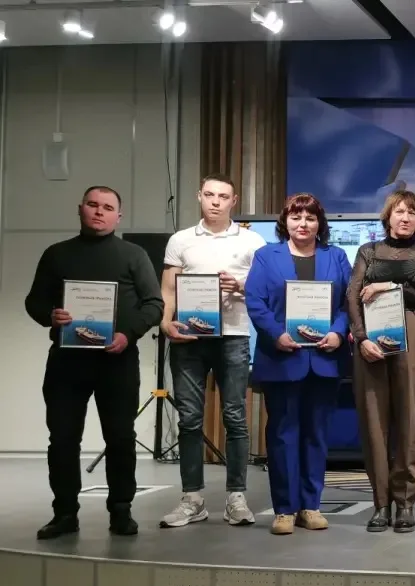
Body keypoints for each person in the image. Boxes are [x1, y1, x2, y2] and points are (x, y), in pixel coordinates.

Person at [24, 186, 164, 539]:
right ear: (80, 209)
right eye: (92, 205)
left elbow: (154, 304)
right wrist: (50, 315)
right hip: (66, 363)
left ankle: (121, 511)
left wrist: (128, 334)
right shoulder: (56, 254)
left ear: (119, 216)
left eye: (108, 207)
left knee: (120, 438)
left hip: (117, 361)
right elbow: (33, 302)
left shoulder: (134, 255)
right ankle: (64, 514)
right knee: (62, 439)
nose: (99, 212)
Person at [158, 174, 266, 529]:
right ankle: (192, 498)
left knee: (235, 417)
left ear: (234, 201)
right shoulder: (180, 240)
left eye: (223, 196)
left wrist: (241, 285)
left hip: (234, 337)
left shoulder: (252, 240)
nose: (215, 201)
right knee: (189, 419)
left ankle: (236, 497)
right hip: (189, 338)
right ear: (199, 196)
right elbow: (168, 288)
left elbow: (265, 287)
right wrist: (165, 322)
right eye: (209, 194)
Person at [244, 193, 351, 536]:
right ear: (285, 221)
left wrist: (338, 332)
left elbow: (349, 302)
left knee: (316, 435)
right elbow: (255, 300)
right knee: (282, 434)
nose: (303, 224)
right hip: (281, 358)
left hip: (324, 359)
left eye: (310, 218)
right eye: (296, 217)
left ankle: (311, 506)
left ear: (320, 223)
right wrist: (276, 334)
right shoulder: (266, 256)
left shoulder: (336, 256)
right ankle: (284, 509)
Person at [348, 189, 415, 534]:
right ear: (387, 217)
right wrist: (361, 338)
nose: (405, 217)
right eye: (399, 211)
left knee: (410, 420)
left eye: (412, 213)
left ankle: (404, 503)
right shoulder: (368, 251)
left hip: (414, 339)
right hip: (372, 341)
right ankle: (381, 503)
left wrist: (391, 286)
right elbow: (352, 295)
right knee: (374, 423)